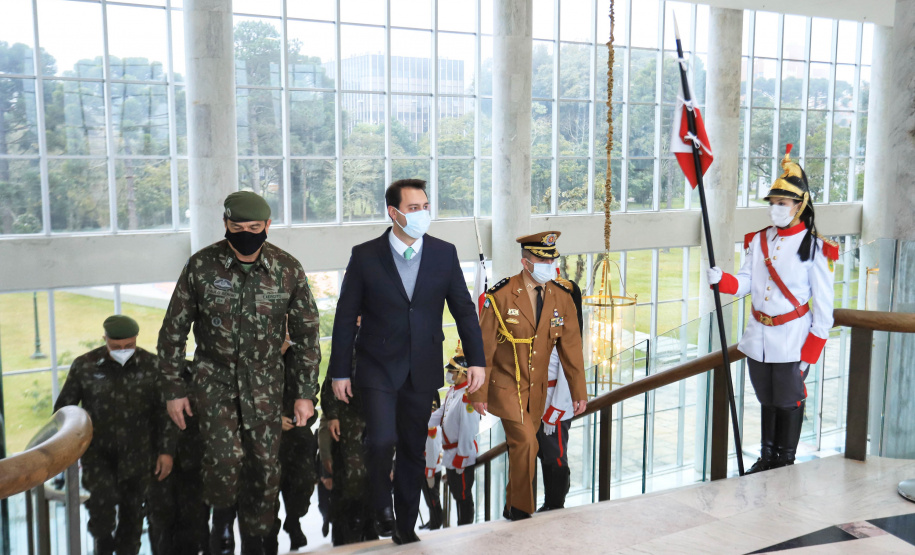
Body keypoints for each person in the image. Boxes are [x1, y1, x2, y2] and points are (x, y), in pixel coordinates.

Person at [157, 191, 322, 555]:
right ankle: (221, 520)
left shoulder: (287, 269)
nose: (246, 234)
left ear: (268, 225)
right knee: (225, 458)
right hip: (213, 381)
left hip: (265, 385)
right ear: (225, 224)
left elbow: (308, 336)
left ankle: (258, 539)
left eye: (254, 227)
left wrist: (305, 393)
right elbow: (172, 332)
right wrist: (173, 389)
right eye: (237, 227)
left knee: (264, 468)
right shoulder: (201, 266)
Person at [328, 178, 486, 544]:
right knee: (381, 441)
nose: (422, 214)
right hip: (377, 365)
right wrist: (339, 372)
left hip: (423, 365)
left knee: (414, 449)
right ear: (394, 213)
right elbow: (345, 315)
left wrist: (477, 360)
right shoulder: (365, 255)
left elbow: (464, 309)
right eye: (414, 208)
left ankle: (405, 525)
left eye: (425, 207)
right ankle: (381, 506)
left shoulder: (444, 253)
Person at [707, 146, 837, 474]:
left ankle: (784, 461)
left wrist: (810, 353)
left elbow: (824, 307)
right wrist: (722, 280)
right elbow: (747, 282)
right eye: (773, 203)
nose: (775, 208)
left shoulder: (815, 247)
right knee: (767, 399)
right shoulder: (759, 240)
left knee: (788, 401)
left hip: (793, 339)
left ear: (799, 205)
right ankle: (767, 457)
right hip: (758, 337)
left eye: (783, 203)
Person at [470, 231, 588, 521]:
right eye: (542, 260)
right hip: (507, 386)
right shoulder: (500, 296)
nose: (550, 265)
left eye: (552, 260)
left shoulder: (562, 298)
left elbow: (571, 349)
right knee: (526, 442)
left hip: (538, 391)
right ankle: (522, 512)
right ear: (526, 262)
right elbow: (484, 348)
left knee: (524, 447)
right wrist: (478, 393)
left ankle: (511, 505)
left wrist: (579, 392)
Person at [54, 315, 175, 555]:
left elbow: (165, 413)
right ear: (105, 339)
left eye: (129, 345)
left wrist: (166, 451)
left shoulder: (152, 366)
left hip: (139, 455)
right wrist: (67, 448)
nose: (123, 350)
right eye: (116, 346)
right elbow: (64, 410)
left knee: (133, 515)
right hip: (98, 454)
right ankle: (103, 544)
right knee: (102, 506)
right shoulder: (85, 366)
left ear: (136, 339)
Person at [147, 365, 210, 555]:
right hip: (157, 463)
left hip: (194, 461)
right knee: (161, 521)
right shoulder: (148, 374)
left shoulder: (200, 373)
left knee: (195, 520)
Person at [536, 269, 584, 512]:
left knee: (555, 456)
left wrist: (554, 411)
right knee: (544, 454)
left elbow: (568, 374)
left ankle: (556, 504)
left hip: (554, 404)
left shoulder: (569, 334)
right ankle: (549, 501)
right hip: (537, 400)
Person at [266, 336, 318, 552]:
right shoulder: (259, 354)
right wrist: (273, 419)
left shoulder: (300, 356)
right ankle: (270, 540)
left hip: (298, 431)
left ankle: (293, 520)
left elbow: (311, 391)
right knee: (268, 490)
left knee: (303, 482)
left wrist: (302, 416)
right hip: (265, 433)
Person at [427, 343, 480, 526]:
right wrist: (421, 423)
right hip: (451, 454)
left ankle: (465, 528)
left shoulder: (467, 397)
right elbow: (440, 414)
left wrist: (462, 456)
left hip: (461, 455)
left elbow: (468, 430)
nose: (449, 374)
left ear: (463, 373)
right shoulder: (453, 392)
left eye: (452, 371)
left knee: (463, 496)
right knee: (457, 494)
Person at [420, 394, 443, 530]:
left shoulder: (431, 425)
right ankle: (432, 520)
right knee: (430, 498)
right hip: (429, 467)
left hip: (431, 469)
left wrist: (429, 472)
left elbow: (433, 449)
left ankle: (436, 523)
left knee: (433, 500)